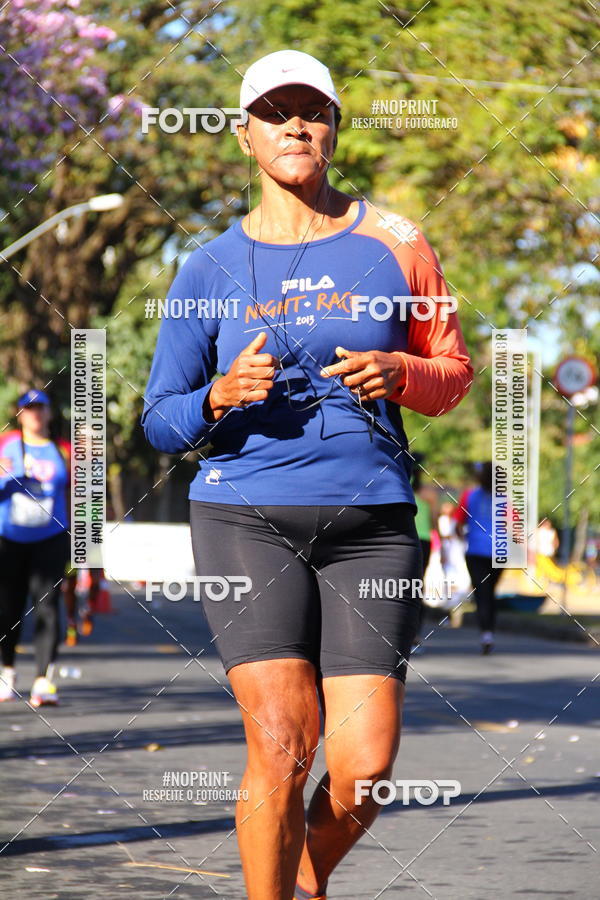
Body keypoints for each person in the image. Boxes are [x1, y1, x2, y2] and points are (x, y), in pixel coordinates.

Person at [142, 49, 473, 900]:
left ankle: (300, 875)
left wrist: (402, 372)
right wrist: (216, 397)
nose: (296, 125)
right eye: (275, 112)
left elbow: (455, 373)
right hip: (244, 515)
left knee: (365, 770)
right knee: (285, 741)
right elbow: (159, 418)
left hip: (371, 525)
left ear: (333, 128)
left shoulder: (398, 243)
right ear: (245, 136)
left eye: (313, 111)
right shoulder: (205, 269)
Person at [0, 389, 71, 706]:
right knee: (8, 607)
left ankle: (44, 681)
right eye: (27, 408)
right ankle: (7, 672)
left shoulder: (65, 450)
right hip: (9, 537)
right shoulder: (5, 445)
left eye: (40, 407)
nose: (34, 414)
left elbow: (82, 497)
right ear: (18, 413)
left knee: (47, 606)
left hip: (51, 539)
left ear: (49, 412)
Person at [454, 462, 501, 654]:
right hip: (498, 553)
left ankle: (486, 634)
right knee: (491, 592)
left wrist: (464, 537)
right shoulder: (505, 499)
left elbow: (457, 522)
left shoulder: (469, 496)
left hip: (475, 551)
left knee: (481, 593)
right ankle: (490, 630)